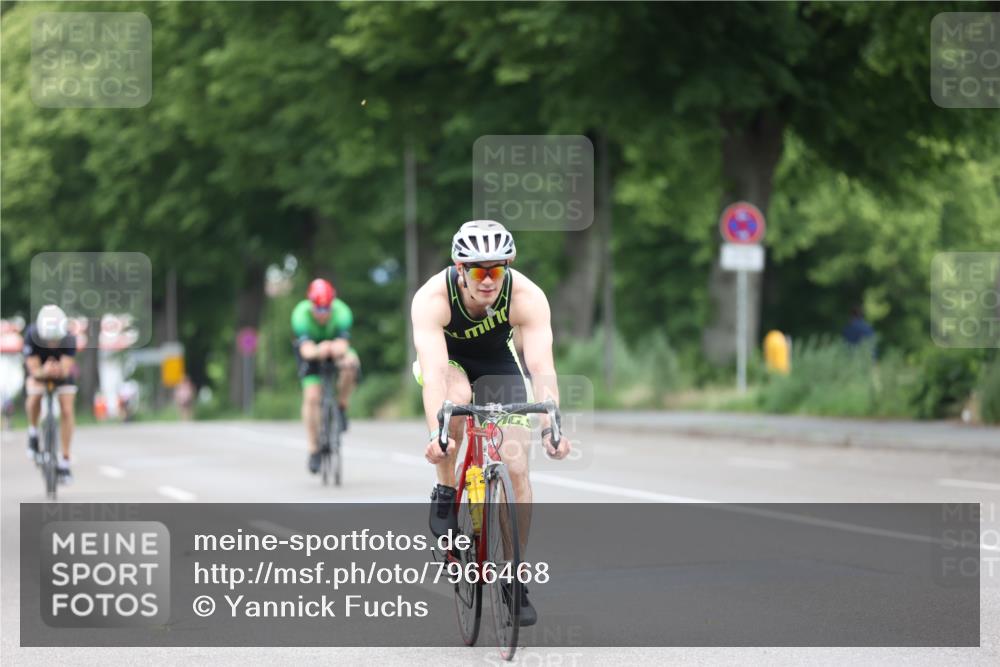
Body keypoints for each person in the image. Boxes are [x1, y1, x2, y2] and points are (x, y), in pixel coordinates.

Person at [410, 219, 572, 626]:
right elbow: (432, 374)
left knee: (517, 468)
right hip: (449, 364)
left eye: (496, 270)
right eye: (478, 270)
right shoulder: (432, 298)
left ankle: (514, 579)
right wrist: (437, 434)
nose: (487, 280)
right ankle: (446, 491)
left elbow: (541, 367)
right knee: (458, 402)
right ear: (460, 268)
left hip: (498, 364)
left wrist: (553, 424)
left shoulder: (527, 296)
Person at [292, 278, 360, 474]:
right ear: (311, 305)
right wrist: (320, 349)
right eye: (318, 309)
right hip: (312, 353)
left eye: (327, 308)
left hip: (335, 349)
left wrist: (333, 349)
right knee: (312, 397)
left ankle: (341, 406)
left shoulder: (342, 312)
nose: (323, 313)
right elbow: (305, 351)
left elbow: (344, 345)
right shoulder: (300, 314)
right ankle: (313, 449)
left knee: (351, 365)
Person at [23, 305, 78, 481]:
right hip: (39, 370)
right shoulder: (32, 335)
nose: (53, 344)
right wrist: (44, 371)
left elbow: (67, 369)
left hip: (60, 372)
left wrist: (59, 370)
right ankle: (33, 433)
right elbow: (33, 370)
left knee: (67, 409)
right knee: (34, 397)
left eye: (56, 340)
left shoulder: (69, 338)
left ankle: (65, 460)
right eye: (49, 340)